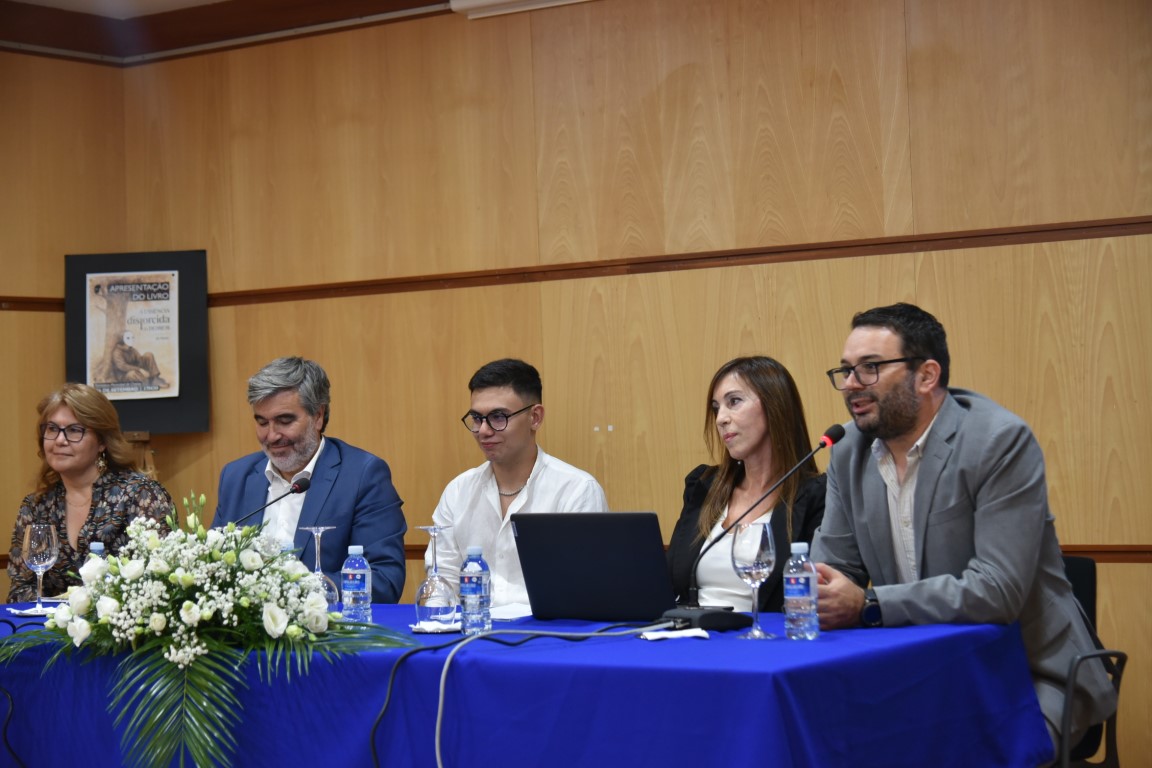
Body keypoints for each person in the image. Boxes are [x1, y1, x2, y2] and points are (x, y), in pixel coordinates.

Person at [811, 302, 1116, 755]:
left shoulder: (998, 441)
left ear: (927, 375)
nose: (852, 384)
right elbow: (829, 569)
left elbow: (996, 590)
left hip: (1025, 674)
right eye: (846, 370)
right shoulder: (848, 452)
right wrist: (821, 591)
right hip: (917, 673)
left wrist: (870, 605)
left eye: (870, 368)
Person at [212, 357, 407, 603]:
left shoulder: (362, 475)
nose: (271, 436)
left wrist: (297, 588)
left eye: (284, 421)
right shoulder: (236, 477)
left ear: (318, 416)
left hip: (327, 634)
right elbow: (213, 567)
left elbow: (384, 580)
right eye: (262, 422)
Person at [426, 359, 608, 607]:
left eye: (498, 417)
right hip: (472, 633)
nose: (483, 431)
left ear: (535, 417)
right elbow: (442, 582)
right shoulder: (458, 491)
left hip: (545, 636)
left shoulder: (576, 490)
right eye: (477, 418)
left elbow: (588, 589)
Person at [667, 356, 825, 612]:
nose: (721, 419)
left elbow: (811, 596)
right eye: (717, 407)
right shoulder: (704, 486)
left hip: (767, 640)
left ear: (776, 406)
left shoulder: (816, 496)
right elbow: (672, 580)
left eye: (734, 402)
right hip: (692, 637)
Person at [7, 383, 173, 602]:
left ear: (102, 442)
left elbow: (160, 582)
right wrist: (65, 611)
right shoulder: (36, 506)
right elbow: (20, 590)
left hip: (120, 630)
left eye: (75, 430)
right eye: (52, 429)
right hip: (50, 631)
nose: (59, 440)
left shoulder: (141, 495)